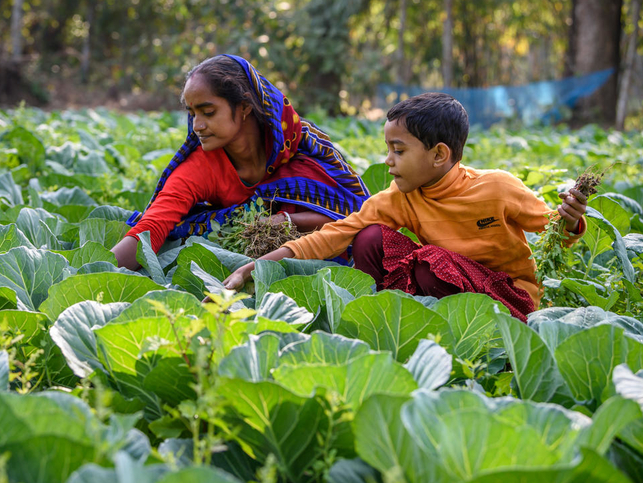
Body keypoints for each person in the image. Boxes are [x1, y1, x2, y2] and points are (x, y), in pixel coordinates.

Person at [222, 92, 588, 322]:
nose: (389, 161)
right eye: (388, 150)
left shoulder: (498, 187)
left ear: (439, 154)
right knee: (368, 238)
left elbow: (554, 230)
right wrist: (254, 267)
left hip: (510, 299)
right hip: (448, 282)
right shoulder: (401, 197)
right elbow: (336, 234)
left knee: (430, 265)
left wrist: (570, 221)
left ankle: (466, 329)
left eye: (399, 151)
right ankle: (386, 316)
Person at [112, 54, 371, 271]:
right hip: (236, 271)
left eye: (208, 112)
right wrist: (99, 268)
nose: (197, 126)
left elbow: (356, 215)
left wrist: (284, 221)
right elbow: (152, 227)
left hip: (320, 262)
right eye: (192, 114)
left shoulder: (298, 146)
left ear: (244, 106)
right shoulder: (201, 166)